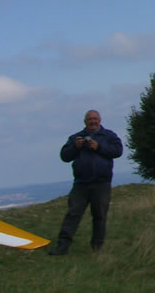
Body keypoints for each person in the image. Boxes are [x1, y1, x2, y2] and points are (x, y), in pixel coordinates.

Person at [48, 109, 124, 255]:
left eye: (95, 119)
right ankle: (62, 247)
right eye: (90, 119)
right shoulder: (76, 138)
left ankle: (97, 248)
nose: (92, 121)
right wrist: (75, 147)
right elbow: (64, 156)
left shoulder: (109, 136)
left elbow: (118, 151)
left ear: (100, 121)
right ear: (85, 122)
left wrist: (99, 147)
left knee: (99, 216)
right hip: (81, 184)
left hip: (101, 183)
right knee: (73, 214)